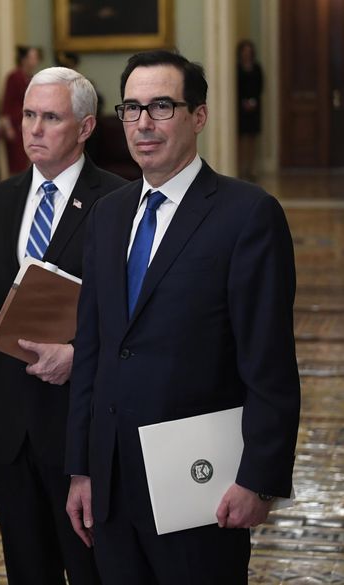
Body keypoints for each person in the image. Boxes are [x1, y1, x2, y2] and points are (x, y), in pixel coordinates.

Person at [64, 50, 300, 585]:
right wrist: (82, 467)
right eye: (131, 108)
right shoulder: (108, 215)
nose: (143, 123)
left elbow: (268, 362)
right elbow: (95, 347)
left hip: (202, 486)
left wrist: (258, 479)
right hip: (113, 481)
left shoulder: (248, 215)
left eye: (162, 106)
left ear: (199, 115)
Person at [0, 67, 126, 585]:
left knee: (92, 568)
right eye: (28, 115)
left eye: (50, 117)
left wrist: (77, 353)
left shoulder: (119, 203)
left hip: (82, 429)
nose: (34, 129)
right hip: (9, 430)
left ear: (86, 128)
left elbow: (131, 320)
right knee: (27, 568)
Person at [0, 46, 41, 175]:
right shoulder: (14, 77)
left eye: (36, 58)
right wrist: (7, 128)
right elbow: (6, 103)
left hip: (30, 126)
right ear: (23, 59)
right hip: (15, 127)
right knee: (16, 166)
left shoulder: (33, 78)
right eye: (32, 57)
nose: (35, 61)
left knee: (29, 163)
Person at [236, 40, 263, 182]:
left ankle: (251, 168)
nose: (246, 54)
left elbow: (260, 86)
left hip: (254, 108)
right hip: (240, 108)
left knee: (252, 138)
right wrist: (243, 101)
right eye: (244, 51)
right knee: (240, 139)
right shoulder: (237, 68)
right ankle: (241, 168)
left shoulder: (257, 68)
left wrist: (253, 101)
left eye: (248, 51)